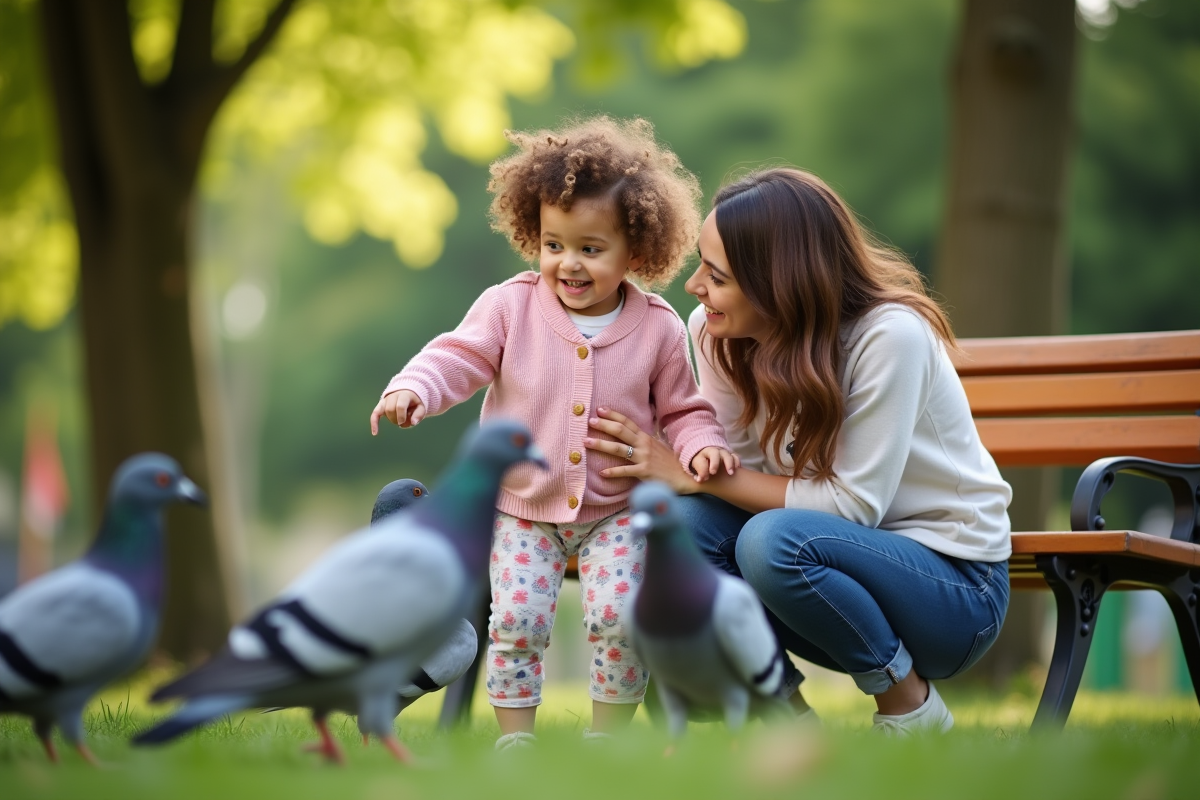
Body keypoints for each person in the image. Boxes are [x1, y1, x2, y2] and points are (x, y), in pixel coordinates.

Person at [584, 167, 1012, 735]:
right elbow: (734, 475)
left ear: (778, 282)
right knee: (680, 524)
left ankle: (911, 709)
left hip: (954, 594)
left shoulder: (890, 337)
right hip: (827, 589)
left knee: (771, 540)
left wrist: (693, 476)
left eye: (717, 275)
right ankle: (785, 720)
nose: (694, 287)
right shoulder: (718, 334)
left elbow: (855, 507)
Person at [369, 117, 738, 748]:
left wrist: (701, 445)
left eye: (591, 249)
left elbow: (683, 408)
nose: (568, 263)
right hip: (522, 508)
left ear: (637, 253)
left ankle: (607, 737)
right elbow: (459, 355)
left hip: (617, 511)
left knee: (619, 622)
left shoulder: (658, 326)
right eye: (552, 244)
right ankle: (516, 737)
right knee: (515, 619)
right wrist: (415, 388)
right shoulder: (510, 305)